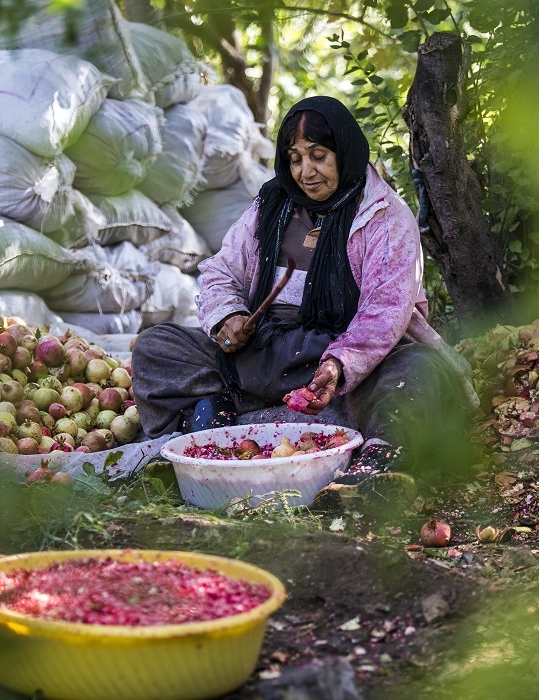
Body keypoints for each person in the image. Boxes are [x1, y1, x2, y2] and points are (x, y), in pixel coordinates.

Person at [132, 96, 478, 511]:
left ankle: (373, 468)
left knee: (419, 370)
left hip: (338, 362)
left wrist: (338, 365)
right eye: (294, 159)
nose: (305, 172)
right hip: (265, 353)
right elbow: (221, 271)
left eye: (318, 156)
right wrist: (229, 316)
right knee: (157, 347)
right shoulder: (272, 206)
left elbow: (384, 313)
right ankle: (210, 437)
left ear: (344, 152)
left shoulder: (384, 217)